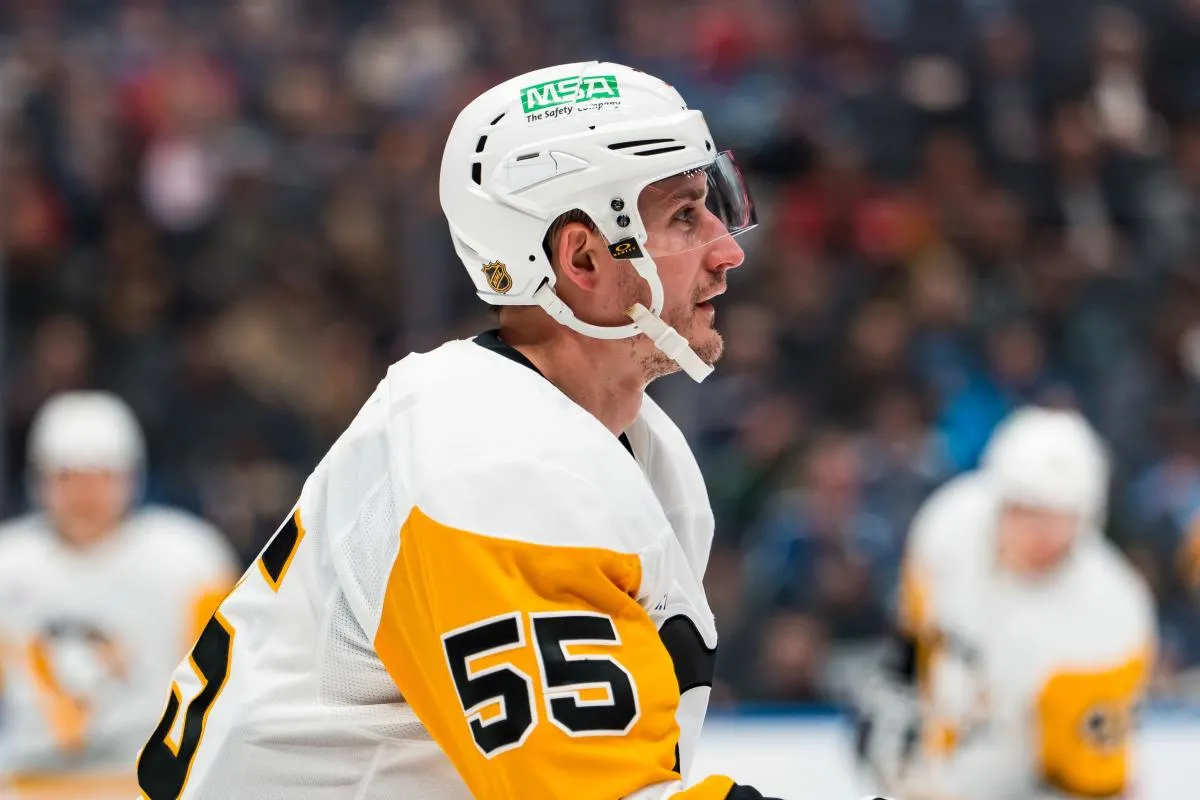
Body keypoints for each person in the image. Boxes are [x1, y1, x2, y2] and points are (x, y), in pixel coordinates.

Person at [131, 60, 841, 800]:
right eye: (685, 217)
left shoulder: (624, 447)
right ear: (584, 257)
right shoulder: (491, 460)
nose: (728, 253)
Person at [855, 406, 1156, 800]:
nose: (1037, 533)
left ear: (1087, 517)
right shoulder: (950, 526)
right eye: (1024, 510)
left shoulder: (1110, 621)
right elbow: (915, 637)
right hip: (943, 750)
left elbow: (1092, 785)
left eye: (1056, 517)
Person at [0, 391, 238, 800]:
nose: (85, 495)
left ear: (133, 477)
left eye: (102, 476)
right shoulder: (10, 562)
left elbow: (226, 680)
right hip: (28, 779)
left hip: (150, 780)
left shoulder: (187, 559)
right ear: (39, 478)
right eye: (68, 476)